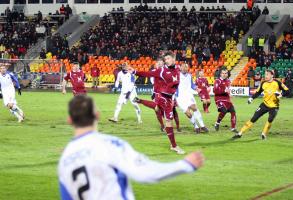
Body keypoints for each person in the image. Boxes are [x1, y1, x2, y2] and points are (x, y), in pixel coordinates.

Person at [58, 95, 205, 200]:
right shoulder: (111, 145)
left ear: (69, 120)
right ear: (97, 115)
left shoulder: (64, 159)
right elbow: (145, 173)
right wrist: (184, 165)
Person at [128, 52, 184, 154]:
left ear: (173, 59)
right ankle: (174, 146)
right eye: (165, 59)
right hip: (163, 97)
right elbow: (148, 74)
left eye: (168, 58)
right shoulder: (162, 70)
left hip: (169, 98)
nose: (166, 61)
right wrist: (134, 72)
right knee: (168, 120)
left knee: (159, 111)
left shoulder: (177, 69)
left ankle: (140, 101)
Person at [232, 70, 289, 140]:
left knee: (270, 119)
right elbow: (257, 92)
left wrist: (281, 94)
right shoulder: (263, 83)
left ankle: (264, 134)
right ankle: (240, 133)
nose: (266, 76)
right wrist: (251, 98)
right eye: (265, 74)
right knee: (254, 118)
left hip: (274, 106)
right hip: (264, 105)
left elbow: (287, 91)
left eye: (267, 74)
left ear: (272, 75)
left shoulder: (277, 83)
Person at [176, 64, 208, 134]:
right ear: (180, 68)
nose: (184, 68)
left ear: (188, 68)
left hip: (188, 95)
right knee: (188, 113)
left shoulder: (189, 75)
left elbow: (192, 85)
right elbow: (173, 85)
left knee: (194, 108)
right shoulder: (177, 75)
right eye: (183, 67)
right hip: (180, 97)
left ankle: (202, 126)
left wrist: (196, 88)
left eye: (186, 67)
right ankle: (196, 126)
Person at [213, 68, 238, 133]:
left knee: (233, 111)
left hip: (227, 99)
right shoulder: (217, 81)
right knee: (223, 111)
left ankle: (233, 128)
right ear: (220, 74)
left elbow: (227, 90)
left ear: (227, 74)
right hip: (219, 99)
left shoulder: (228, 81)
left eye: (225, 73)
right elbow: (215, 91)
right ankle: (217, 123)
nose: (224, 75)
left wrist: (230, 95)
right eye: (223, 73)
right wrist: (224, 91)